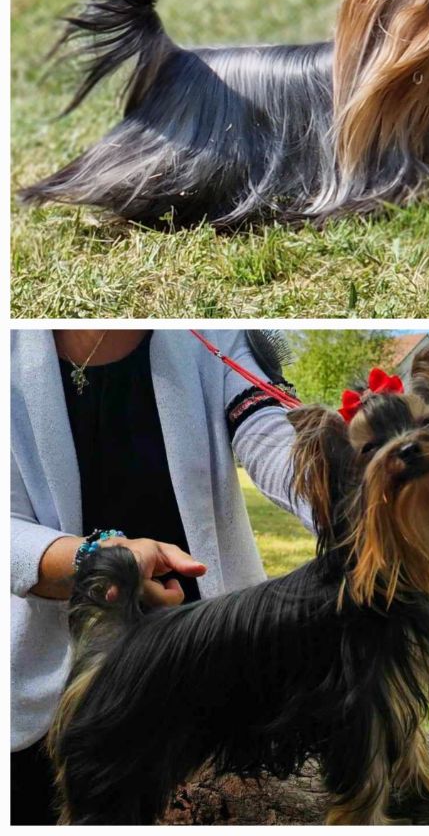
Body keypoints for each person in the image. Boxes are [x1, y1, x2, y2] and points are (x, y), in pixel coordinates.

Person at [11, 329, 308, 824]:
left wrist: (348, 508)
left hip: (206, 683)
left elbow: (272, 434)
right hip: (41, 705)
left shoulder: (215, 337)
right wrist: (93, 559)